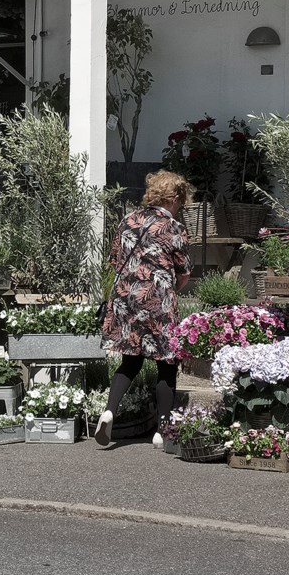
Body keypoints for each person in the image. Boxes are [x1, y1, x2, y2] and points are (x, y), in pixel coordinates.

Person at [94, 169, 192, 448]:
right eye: (181, 201)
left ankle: (110, 410)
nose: (181, 207)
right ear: (173, 198)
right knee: (166, 363)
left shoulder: (127, 220)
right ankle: (162, 430)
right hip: (157, 302)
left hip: (125, 300)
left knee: (130, 360)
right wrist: (167, 288)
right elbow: (183, 272)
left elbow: (115, 260)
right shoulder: (174, 229)